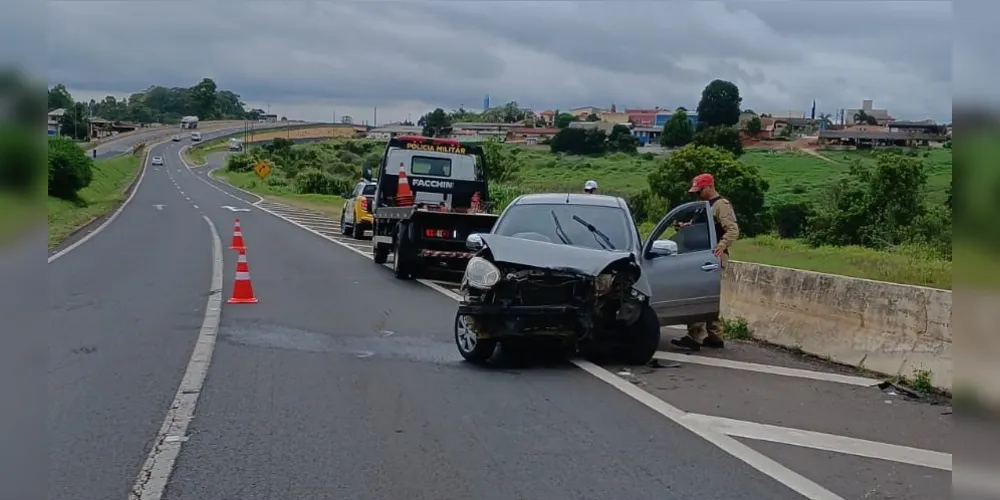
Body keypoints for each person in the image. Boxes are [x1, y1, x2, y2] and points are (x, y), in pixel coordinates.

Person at [671, 173, 739, 351]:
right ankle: (715, 335)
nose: (697, 194)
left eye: (699, 190)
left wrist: (721, 246)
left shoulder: (720, 205)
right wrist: (686, 227)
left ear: (709, 187)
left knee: (697, 294)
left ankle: (695, 336)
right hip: (702, 255)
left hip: (710, 257)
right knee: (709, 295)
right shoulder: (704, 206)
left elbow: (732, 230)